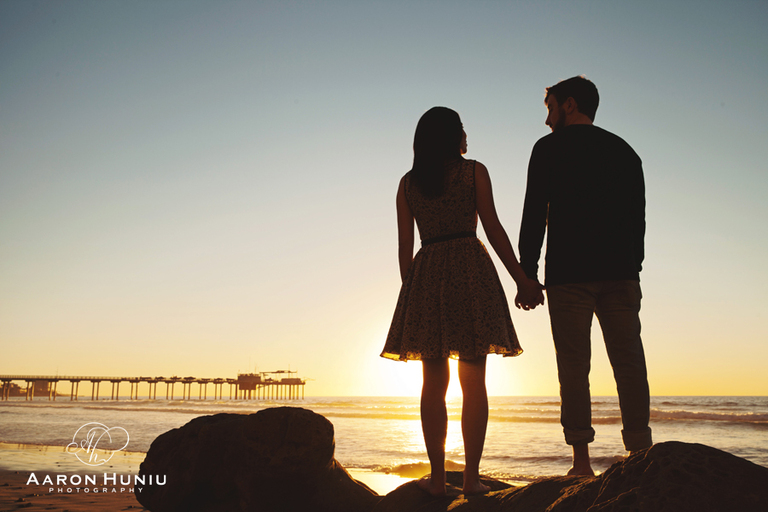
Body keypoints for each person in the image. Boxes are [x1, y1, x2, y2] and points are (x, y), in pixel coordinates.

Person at [381, 106, 542, 496]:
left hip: (427, 272)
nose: (467, 136)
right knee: (474, 382)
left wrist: (412, 294)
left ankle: (438, 480)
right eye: (462, 129)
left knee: (432, 383)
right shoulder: (473, 171)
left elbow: (405, 246)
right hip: (471, 270)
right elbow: (493, 228)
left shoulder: (407, 184)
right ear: (452, 136)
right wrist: (523, 280)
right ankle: (470, 479)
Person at [517, 76, 652, 475]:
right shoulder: (626, 151)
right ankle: (640, 454)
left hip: (570, 275)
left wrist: (529, 272)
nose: (546, 120)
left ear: (570, 105)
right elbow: (638, 218)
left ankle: (581, 464)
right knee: (629, 362)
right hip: (620, 273)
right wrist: (635, 265)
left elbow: (533, 214)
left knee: (574, 366)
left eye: (550, 108)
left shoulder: (547, 149)